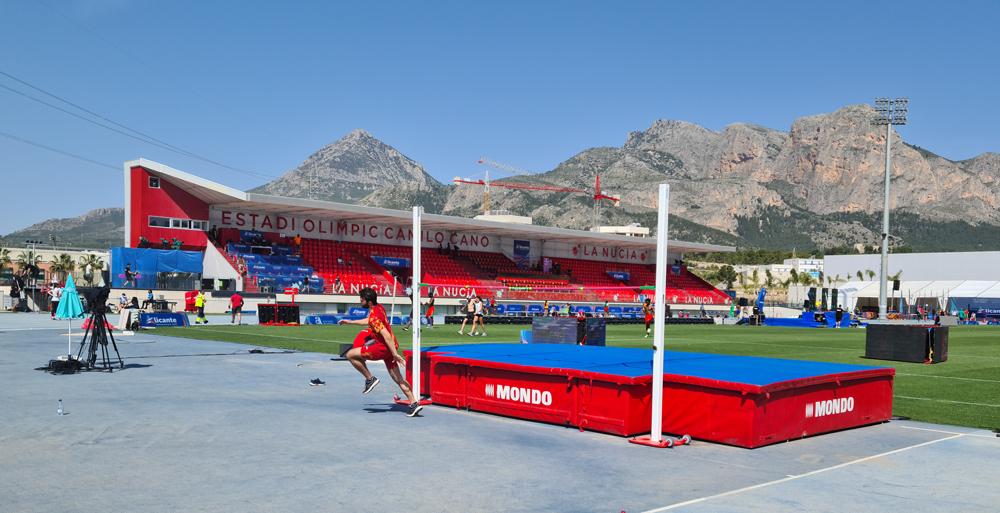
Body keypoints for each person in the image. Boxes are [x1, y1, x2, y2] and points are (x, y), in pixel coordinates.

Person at [338, 288, 423, 417]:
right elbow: (368, 321)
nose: (360, 301)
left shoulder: (374, 317)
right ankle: (413, 403)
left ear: (369, 301)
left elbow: (386, 335)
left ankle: (370, 379)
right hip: (390, 347)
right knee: (398, 378)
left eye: (362, 299)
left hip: (382, 348)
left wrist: (395, 354)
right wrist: (349, 322)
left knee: (350, 354)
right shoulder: (378, 308)